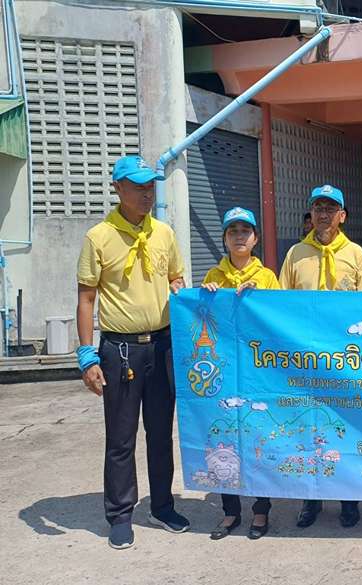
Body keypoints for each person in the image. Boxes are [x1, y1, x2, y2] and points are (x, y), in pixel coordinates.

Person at [75, 155, 189, 549]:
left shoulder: (164, 233)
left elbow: (176, 276)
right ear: (118, 188)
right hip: (120, 351)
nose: (147, 193)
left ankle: (162, 506)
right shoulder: (99, 237)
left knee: (160, 434)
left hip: (161, 346)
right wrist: (87, 355)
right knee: (121, 439)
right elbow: (86, 298)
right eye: (139, 186)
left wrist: (179, 287)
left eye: (151, 186)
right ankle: (120, 515)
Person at [279, 184, 362, 528]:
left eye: (331, 209)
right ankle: (311, 499)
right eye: (318, 208)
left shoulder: (356, 255)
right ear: (311, 214)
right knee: (309, 428)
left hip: (344, 359)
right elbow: (280, 303)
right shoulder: (295, 254)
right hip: (305, 359)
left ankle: (349, 500)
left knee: (344, 427)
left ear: (342, 216)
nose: (324, 214)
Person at [202, 207, 280, 540]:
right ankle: (230, 511)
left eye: (245, 231)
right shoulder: (213, 276)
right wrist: (204, 297)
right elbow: (202, 319)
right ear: (224, 238)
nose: (239, 237)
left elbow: (279, 319)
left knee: (257, 433)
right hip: (224, 368)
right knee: (224, 435)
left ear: (255, 238)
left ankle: (261, 510)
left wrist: (258, 297)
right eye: (232, 231)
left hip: (256, 367)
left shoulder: (268, 277)